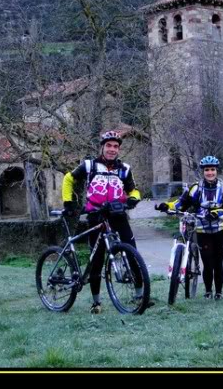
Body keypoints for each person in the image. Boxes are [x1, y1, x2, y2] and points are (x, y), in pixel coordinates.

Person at [61, 130, 144, 313]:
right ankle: (96, 302)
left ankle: (140, 296)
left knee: (132, 254)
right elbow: (68, 179)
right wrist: (68, 202)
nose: (112, 149)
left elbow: (134, 190)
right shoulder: (89, 165)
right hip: (96, 216)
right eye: (109, 146)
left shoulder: (125, 169)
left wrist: (132, 199)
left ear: (119, 149)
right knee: (97, 259)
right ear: (102, 147)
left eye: (116, 146)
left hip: (118, 215)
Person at [155, 156, 223, 301]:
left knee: (218, 262)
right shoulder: (195, 189)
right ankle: (207, 292)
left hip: (221, 230)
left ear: (216, 171)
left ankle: (218, 293)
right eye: (207, 170)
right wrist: (167, 206)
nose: (210, 173)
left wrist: (217, 213)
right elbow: (181, 203)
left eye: (212, 170)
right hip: (202, 230)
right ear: (203, 171)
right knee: (207, 262)